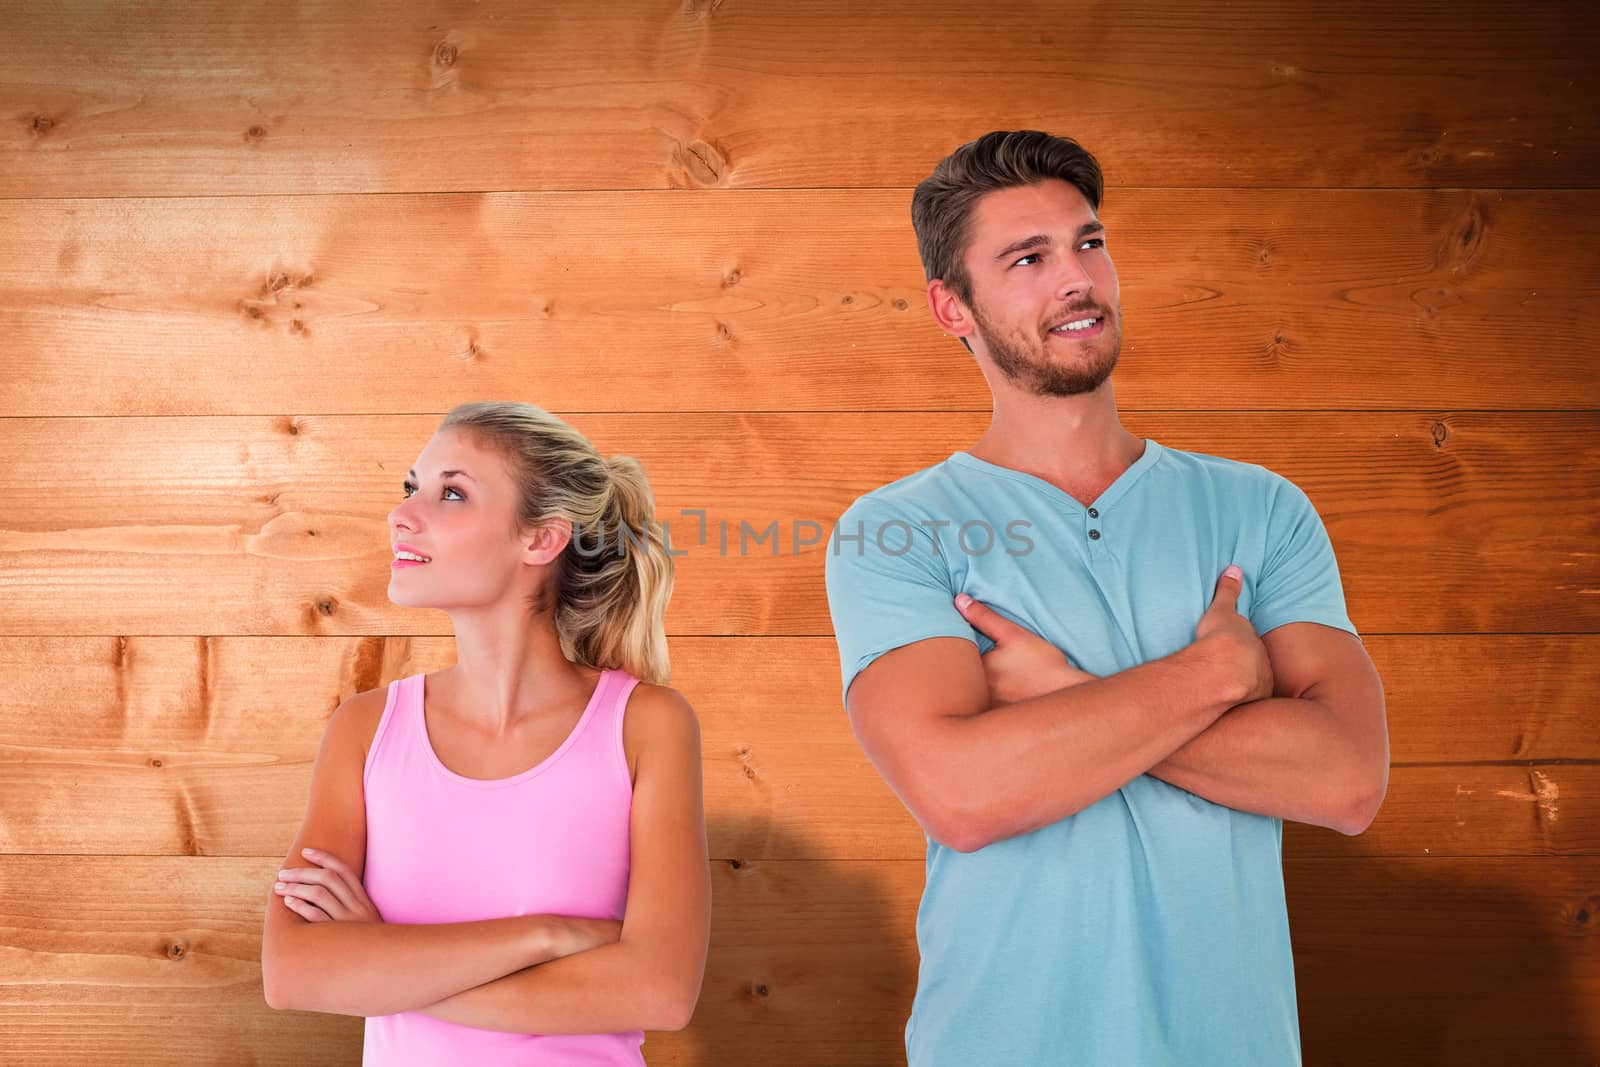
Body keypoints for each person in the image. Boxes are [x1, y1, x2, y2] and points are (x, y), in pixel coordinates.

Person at [823, 131, 1389, 1065]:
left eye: (1088, 242)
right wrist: (1213, 675)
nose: (1076, 278)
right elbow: (962, 795)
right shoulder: (899, 530)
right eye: (1027, 258)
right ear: (950, 308)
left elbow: (1346, 779)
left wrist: (1062, 695)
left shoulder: (1262, 507)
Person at [261, 400, 711, 1064]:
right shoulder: (366, 730)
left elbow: (660, 989)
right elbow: (294, 971)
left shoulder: (645, 728)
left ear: (541, 538)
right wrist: (546, 935)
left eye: (451, 493)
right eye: (411, 488)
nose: (402, 514)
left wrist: (384, 963)